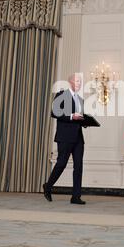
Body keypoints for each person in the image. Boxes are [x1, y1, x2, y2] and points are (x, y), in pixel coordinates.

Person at [43, 73, 86, 204]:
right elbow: (54, 112)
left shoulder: (80, 99)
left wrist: (87, 121)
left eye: (80, 81)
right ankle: (48, 186)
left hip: (78, 137)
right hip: (65, 136)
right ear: (70, 82)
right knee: (61, 163)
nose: (78, 83)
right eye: (76, 81)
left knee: (78, 166)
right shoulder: (61, 95)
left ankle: (75, 197)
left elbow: (80, 118)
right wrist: (72, 116)